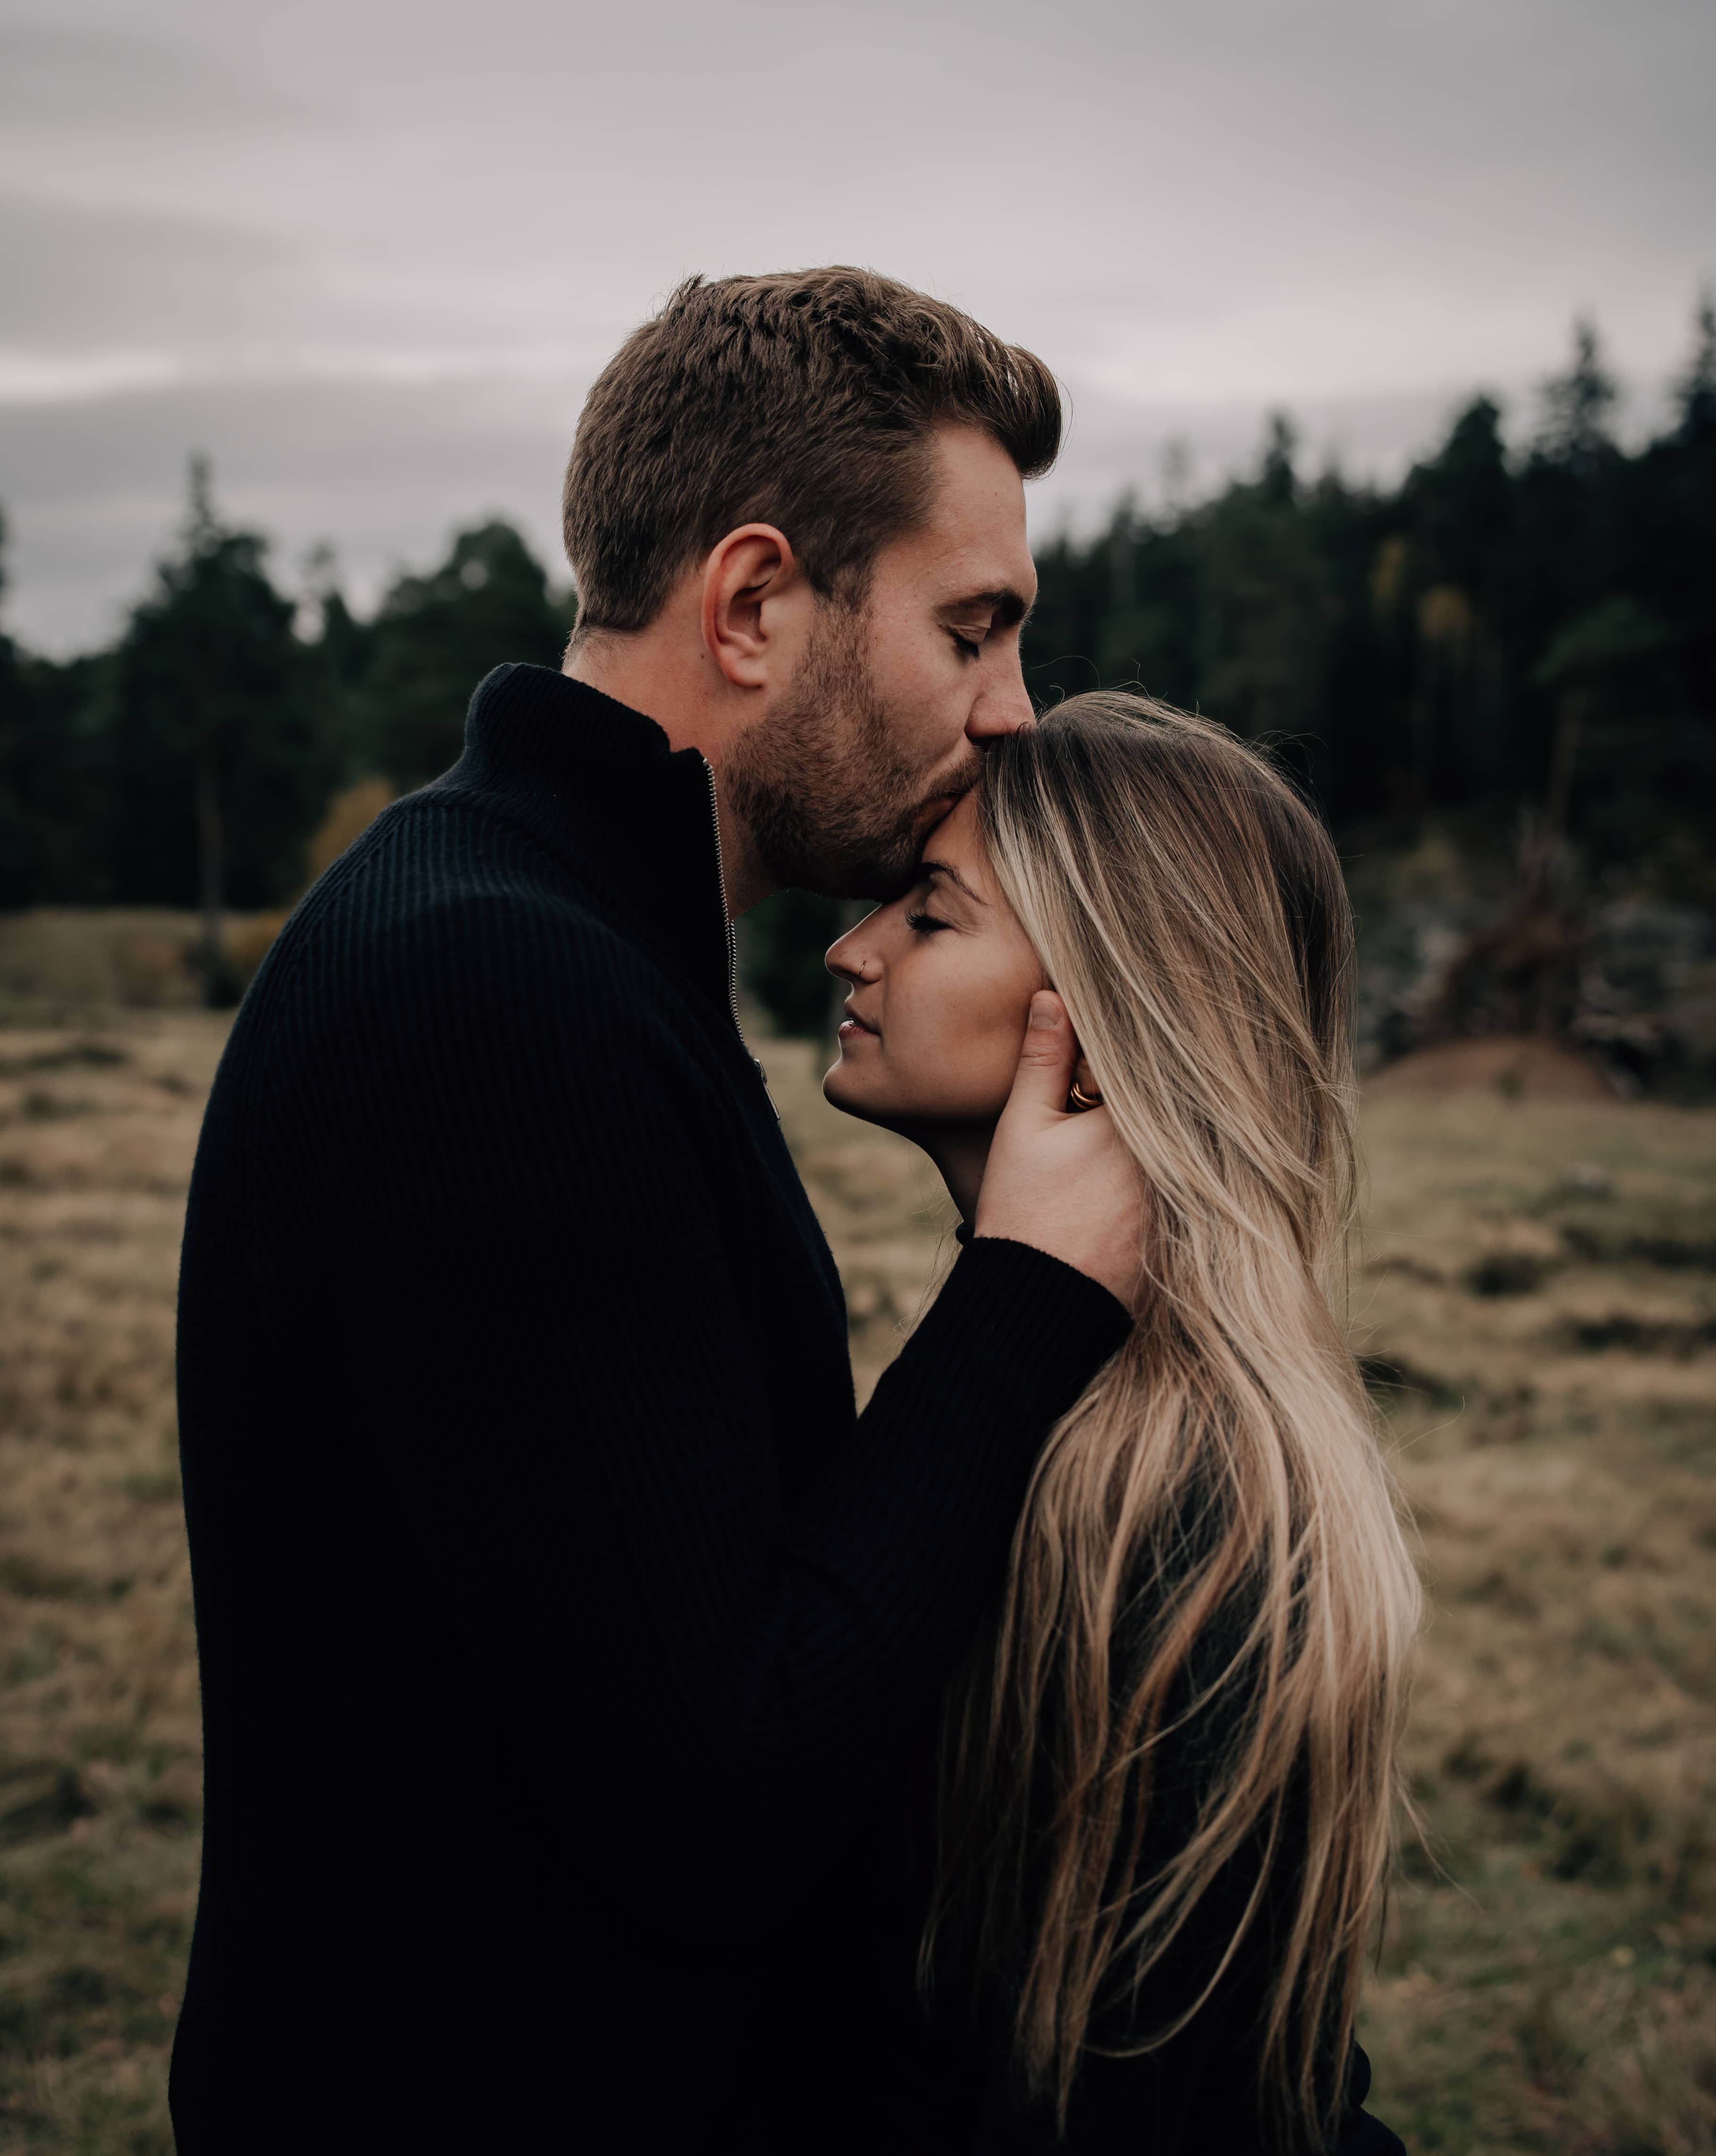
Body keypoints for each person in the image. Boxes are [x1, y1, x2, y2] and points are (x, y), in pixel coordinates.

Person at [169, 269, 1144, 2153]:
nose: (1011, 710)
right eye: (973, 628)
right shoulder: (499, 1006)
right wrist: (1027, 1288)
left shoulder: (526, 930)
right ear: (757, 601)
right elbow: (723, 1785)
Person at [821, 692, 1420, 2153]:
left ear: (1087, 1029)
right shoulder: (1045, 1387)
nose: (851, 946)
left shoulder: (1161, 1494)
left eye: (932, 916)